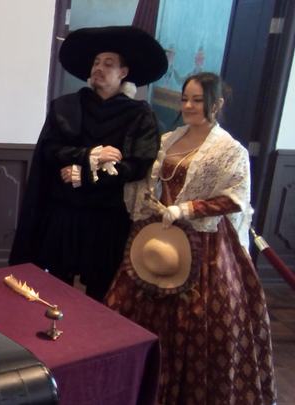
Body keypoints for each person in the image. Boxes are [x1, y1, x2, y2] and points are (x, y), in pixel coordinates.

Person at [106, 73, 276, 403]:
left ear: (217, 104)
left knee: (200, 320)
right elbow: (149, 179)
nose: (188, 106)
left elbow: (236, 198)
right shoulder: (169, 139)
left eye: (197, 100)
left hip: (205, 243)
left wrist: (188, 208)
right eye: (185, 99)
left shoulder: (229, 150)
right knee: (125, 305)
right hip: (161, 237)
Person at [9, 26, 167, 301]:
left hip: (107, 218)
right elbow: (50, 150)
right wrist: (88, 156)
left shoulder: (139, 115)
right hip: (64, 212)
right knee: (54, 285)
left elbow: (138, 165)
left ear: (123, 72)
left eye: (108, 64)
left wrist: (85, 175)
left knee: (100, 290)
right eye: (96, 63)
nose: (99, 68)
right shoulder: (66, 107)